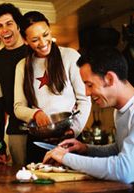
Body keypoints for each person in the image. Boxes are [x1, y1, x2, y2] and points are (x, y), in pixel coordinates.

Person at [43, 46, 134, 193]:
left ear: (110, 78)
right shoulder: (122, 110)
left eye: (89, 85)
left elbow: (125, 170)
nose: (86, 92)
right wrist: (85, 149)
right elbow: (119, 149)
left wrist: (65, 158)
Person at [14, 11, 91, 163]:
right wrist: (35, 114)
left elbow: (84, 100)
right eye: (35, 39)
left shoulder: (70, 56)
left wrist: (73, 131)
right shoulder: (22, 66)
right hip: (38, 142)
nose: (42, 43)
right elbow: (18, 107)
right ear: (25, 40)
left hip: (69, 137)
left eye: (45, 34)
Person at [0, 3, 28, 165]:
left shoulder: (34, 53)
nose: (4, 30)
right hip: (16, 132)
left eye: (9, 24)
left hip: (45, 131)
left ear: (18, 26)